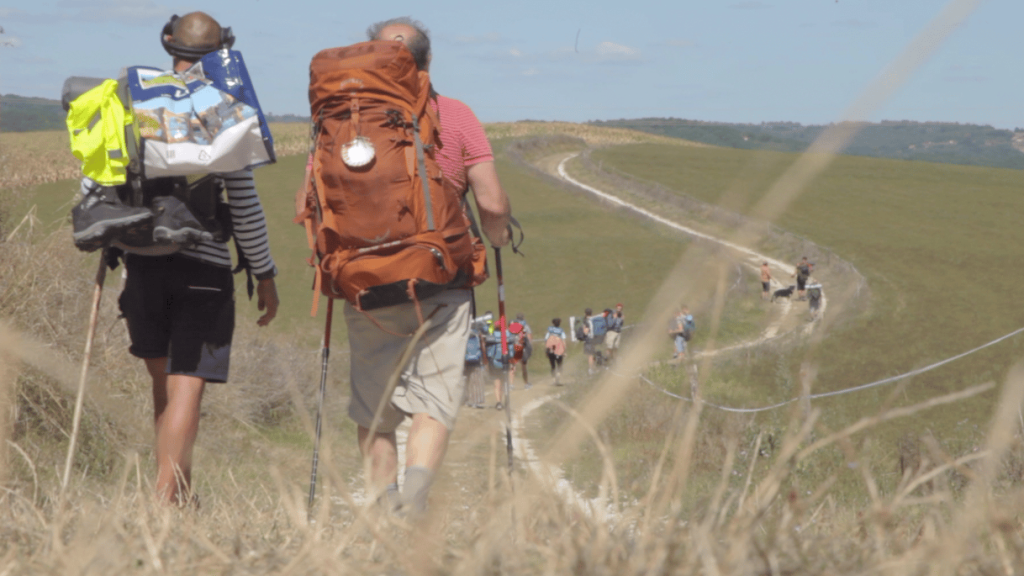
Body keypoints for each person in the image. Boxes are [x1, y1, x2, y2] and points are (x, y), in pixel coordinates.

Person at [82, 12, 279, 506]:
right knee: (186, 387)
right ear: (221, 52)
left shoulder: (131, 101)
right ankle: (164, 505)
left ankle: (176, 495)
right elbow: (247, 206)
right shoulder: (222, 110)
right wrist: (264, 273)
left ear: (169, 43)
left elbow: (95, 181)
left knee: (163, 386)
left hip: (141, 261)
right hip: (205, 266)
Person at [345, 16, 512, 517]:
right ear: (429, 60)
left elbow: (312, 199)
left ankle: (380, 507)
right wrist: (499, 237)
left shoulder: (344, 119)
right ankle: (413, 504)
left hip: (365, 278)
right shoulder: (455, 114)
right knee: (433, 398)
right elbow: (493, 203)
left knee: (374, 405)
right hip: (442, 278)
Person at [510, 312, 533, 389]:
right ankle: (526, 383)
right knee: (523, 366)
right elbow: (529, 338)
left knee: (513, 366)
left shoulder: (512, 325)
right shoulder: (525, 325)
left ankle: (511, 384)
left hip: (514, 346)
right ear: (523, 317)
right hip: (522, 347)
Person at [579, 307, 597, 374]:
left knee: (590, 356)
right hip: (593, 339)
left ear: (585, 314)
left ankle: (590, 370)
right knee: (592, 355)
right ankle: (594, 368)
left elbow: (585, 332)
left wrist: (582, 330)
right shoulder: (593, 320)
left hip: (588, 340)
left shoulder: (586, 322)